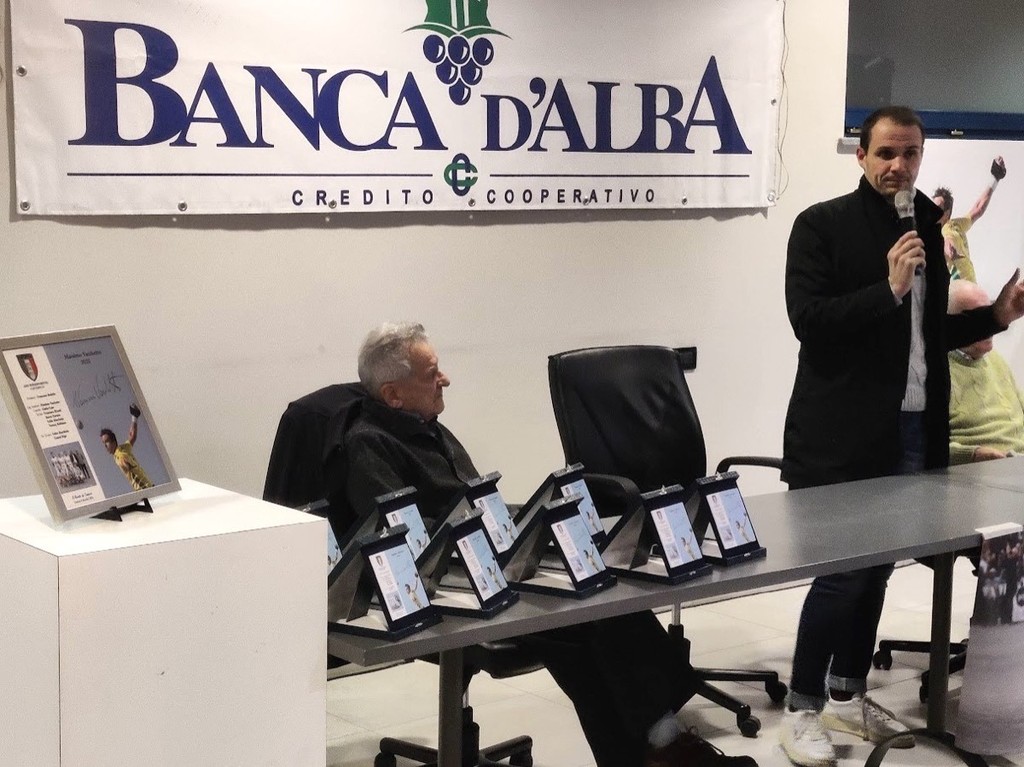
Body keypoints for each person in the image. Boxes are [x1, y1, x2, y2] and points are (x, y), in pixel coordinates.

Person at [335, 322, 757, 767]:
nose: (445, 379)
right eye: (431, 373)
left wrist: (530, 524)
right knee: (579, 623)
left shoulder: (425, 427)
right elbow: (403, 540)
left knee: (603, 592)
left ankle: (659, 744)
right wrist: (494, 537)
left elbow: (471, 502)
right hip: (447, 586)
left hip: (486, 562)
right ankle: (661, 746)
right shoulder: (368, 444)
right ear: (393, 394)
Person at [780, 106, 1024, 767]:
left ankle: (847, 691)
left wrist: (997, 316)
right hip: (840, 434)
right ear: (861, 155)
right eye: (886, 152)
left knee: (878, 569)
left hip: (913, 427)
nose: (899, 165)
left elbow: (926, 338)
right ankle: (801, 707)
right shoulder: (821, 225)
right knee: (842, 574)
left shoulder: (928, 225)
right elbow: (810, 322)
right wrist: (887, 289)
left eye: (911, 153)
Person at [947, 280, 1024, 464]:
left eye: (990, 311)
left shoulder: (995, 359)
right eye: (980, 316)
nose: (990, 326)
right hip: (978, 468)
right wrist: (973, 453)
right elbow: (927, 445)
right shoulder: (936, 370)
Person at [932, 156, 1006, 282]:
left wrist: (995, 179)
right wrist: (948, 247)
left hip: (972, 286)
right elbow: (946, 241)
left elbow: (978, 209)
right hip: (958, 290)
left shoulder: (955, 225)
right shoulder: (933, 234)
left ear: (947, 212)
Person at [99, 403, 153, 490]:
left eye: (107, 442)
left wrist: (126, 462)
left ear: (114, 442)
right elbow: (132, 436)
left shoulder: (120, 455)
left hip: (145, 489)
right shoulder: (123, 448)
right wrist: (134, 417)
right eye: (103, 443)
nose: (105, 445)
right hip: (147, 486)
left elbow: (128, 463)